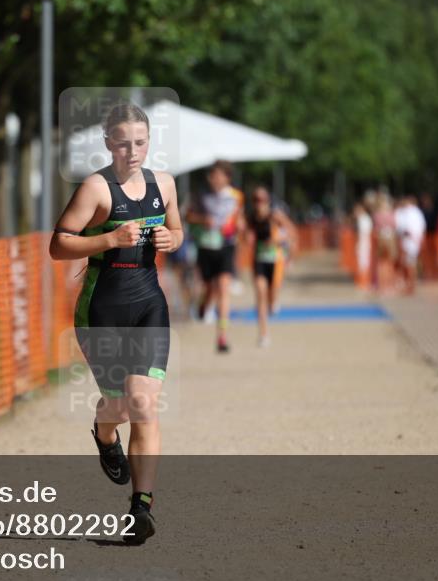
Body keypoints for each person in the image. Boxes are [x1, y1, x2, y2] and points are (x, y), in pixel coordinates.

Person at [49, 103, 183, 545]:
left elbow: (178, 231)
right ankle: (105, 435)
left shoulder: (164, 184)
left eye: (140, 142)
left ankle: (141, 507)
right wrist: (109, 238)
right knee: (120, 408)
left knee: (143, 403)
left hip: (149, 305)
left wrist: (172, 238)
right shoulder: (96, 188)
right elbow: (58, 245)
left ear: (149, 142)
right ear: (108, 143)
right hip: (101, 309)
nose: (133, 151)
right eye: (123, 143)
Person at [186, 160, 244, 353]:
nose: (213, 179)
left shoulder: (236, 196)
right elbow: (188, 216)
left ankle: (222, 336)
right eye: (211, 175)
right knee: (210, 288)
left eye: (218, 175)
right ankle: (203, 305)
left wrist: (241, 226)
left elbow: (239, 219)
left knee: (224, 287)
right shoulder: (201, 195)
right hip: (205, 246)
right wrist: (204, 220)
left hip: (226, 246)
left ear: (227, 177)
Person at [246, 186, 296, 347]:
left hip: (276, 261)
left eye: (261, 200)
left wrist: (278, 240)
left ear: (268, 201)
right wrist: (246, 237)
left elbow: (292, 233)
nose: (258, 203)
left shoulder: (275, 216)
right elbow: (245, 235)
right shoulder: (251, 218)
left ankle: (273, 301)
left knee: (271, 296)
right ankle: (263, 334)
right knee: (260, 293)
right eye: (255, 200)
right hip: (259, 260)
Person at [395, 195, 426, 295]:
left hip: (409, 242)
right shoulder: (417, 212)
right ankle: (411, 284)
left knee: (409, 264)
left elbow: (402, 227)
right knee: (411, 262)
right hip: (413, 241)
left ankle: (410, 285)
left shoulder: (408, 212)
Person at [372, 192, 397, 294]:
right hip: (386, 238)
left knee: (384, 263)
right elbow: (393, 225)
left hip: (383, 238)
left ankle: (384, 284)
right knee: (385, 262)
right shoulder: (387, 214)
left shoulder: (377, 214)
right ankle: (385, 284)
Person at [352, 203, 372, 288]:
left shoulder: (364, 219)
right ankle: (362, 281)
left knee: (364, 262)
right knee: (362, 262)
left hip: (364, 243)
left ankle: (364, 282)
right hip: (362, 243)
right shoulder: (361, 219)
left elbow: (364, 233)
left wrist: (359, 244)